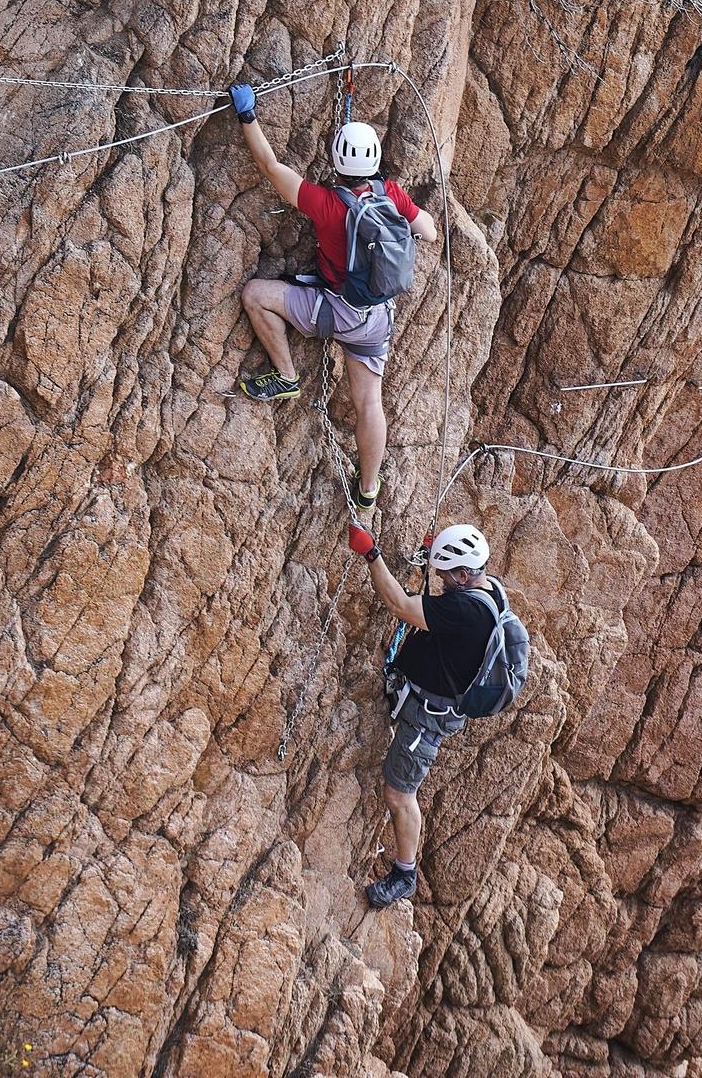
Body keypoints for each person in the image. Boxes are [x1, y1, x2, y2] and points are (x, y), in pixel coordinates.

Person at [227, 79, 438, 517]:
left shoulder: (325, 204)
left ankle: (285, 376)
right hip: (376, 317)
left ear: (336, 162)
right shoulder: (393, 194)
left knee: (255, 294)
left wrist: (247, 115)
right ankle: (368, 487)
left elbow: (269, 165)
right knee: (369, 403)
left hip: (334, 310)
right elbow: (430, 231)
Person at [348, 519, 502, 909]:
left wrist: (371, 553)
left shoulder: (466, 610)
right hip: (428, 703)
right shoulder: (489, 590)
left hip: (426, 721)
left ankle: (404, 874)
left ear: (466, 574)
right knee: (400, 791)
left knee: (399, 794)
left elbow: (399, 605)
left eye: (447, 575)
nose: (442, 580)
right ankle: (404, 871)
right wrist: (439, 555)